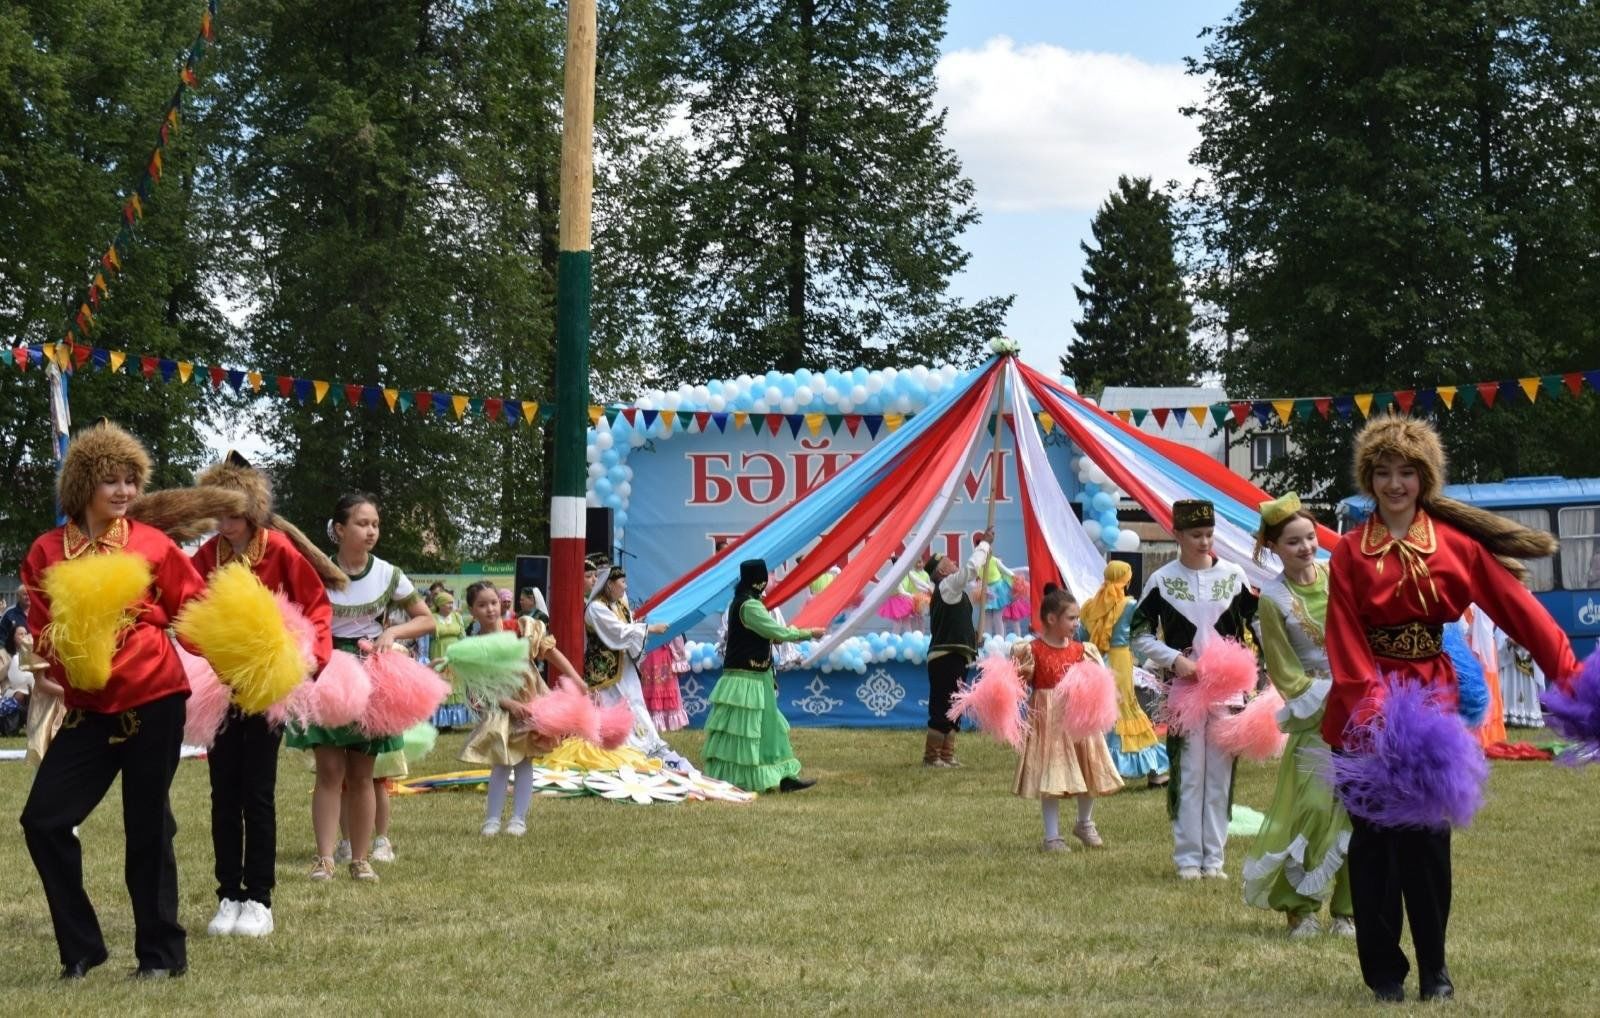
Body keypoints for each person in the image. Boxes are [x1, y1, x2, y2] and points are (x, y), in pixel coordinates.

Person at [1323, 416, 1578, 1004]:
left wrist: (1570, 676)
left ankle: (1435, 970)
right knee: (1373, 845)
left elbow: (1521, 613)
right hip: (1366, 711)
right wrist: (1379, 709)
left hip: (1433, 704)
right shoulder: (1348, 557)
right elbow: (1344, 638)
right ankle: (1384, 973)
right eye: (1383, 473)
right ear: (1369, 478)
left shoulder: (1455, 547)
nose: (1394, 484)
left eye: (1406, 473)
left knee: (1429, 844)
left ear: (1424, 479)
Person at [18, 421, 208, 980]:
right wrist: (39, 670)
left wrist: (249, 660)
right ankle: (81, 949)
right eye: (111, 481)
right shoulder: (47, 551)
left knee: (149, 825)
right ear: (83, 487)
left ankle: (161, 958)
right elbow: (38, 626)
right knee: (44, 821)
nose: (124, 491)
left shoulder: (154, 544)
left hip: (155, 697)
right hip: (87, 709)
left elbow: (195, 612)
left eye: (131, 480)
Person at [190, 453, 338, 939]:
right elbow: (184, 607)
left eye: (234, 514)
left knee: (257, 792)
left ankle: (259, 898)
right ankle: (228, 894)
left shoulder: (278, 551)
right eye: (219, 514)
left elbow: (316, 607)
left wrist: (307, 658)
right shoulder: (206, 555)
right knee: (221, 794)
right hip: (218, 684)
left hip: (267, 684)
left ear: (253, 511)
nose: (226, 524)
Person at [284, 493, 435, 883]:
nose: (371, 531)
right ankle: (324, 859)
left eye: (375, 524)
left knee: (364, 772)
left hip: (371, 674)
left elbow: (426, 619)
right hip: (327, 671)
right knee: (330, 770)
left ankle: (361, 858)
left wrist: (393, 631)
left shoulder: (388, 574)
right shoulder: (316, 570)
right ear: (339, 529)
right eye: (362, 523)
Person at [1239, 493, 1354, 939]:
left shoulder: (1338, 577)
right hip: (1317, 712)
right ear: (1274, 548)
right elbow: (1283, 666)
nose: (1306, 547)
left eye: (1309, 537)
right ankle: (1300, 907)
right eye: (1293, 542)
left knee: (1356, 808)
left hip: (1360, 706)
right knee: (1311, 808)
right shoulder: (1273, 599)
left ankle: (1347, 911)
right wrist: (1321, 695)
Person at [1131, 499, 1258, 881]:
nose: (1204, 542)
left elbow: (1258, 625)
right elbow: (1138, 634)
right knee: (1189, 773)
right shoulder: (1162, 580)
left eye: (1208, 534)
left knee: (1219, 776)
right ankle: (1188, 859)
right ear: (1178, 535)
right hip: (1184, 693)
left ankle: (1214, 861)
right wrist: (1173, 659)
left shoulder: (1234, 576)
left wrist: (1266, 672)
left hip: (1227, 692)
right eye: (1196, 535)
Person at [455, 581, 581, 836]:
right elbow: (480, 685)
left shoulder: (519, 628)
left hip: (529, 700)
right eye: (482, 605)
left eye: (493, 602)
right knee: (502, 761)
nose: (490, 609)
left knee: (524, 761)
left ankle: (518, 819)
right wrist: (508, 704)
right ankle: (492, 819)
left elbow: (550, 651)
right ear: (472, 610)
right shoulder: (474, 645)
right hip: (501, 706)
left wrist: (576, 679)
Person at [1011, 585, 1124, 851]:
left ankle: (1084, 823)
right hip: (1048, 718)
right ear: (1052, 619)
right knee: (1052, 773)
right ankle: (1052, 837)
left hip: (1078, 716)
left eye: (1077, 619)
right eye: (1071, 618)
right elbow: (1016, 681)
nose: (1077, 624)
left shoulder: (1082, 651)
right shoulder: (1033, 650)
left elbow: (1096, 683)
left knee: (1089, 766)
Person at [703, 559, 824, 792]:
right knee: (748, 730)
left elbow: (762, 634)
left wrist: (771, 637)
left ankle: (784, 775)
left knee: (768, 727)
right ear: (760, 581)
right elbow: (775, 630)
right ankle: (749, 778)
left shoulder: (742, 603)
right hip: (748, 678)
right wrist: (810, 633)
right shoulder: (750, 606)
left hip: (757, 675)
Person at [584, 563, 698, 774]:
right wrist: (650, 629)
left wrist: (640, 623)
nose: (625, 587)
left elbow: (629, 624)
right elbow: (619, 632)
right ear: (609, 585)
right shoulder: (596, 608)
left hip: (623, 668)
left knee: (635, 704)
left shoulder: (618, 604)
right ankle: (621, 752)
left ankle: (648, 746)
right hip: (605, 674)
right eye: (622, 583)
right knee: (615, 709)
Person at [1078, 561, 1169, 788]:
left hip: (1096, 661)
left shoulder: (1089, 606)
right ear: (1126, 579)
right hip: (1120, 660)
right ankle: (1154, 770)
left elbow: (1081, 635)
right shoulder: (1129, 605)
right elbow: (1139, 637)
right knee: (1127, 709)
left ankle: (1100, 769)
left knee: (1101, 712)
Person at [922, 528, 994, 768]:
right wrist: (983, 546)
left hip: (958, 655)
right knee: (943, 705)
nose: (954, 562)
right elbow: (970, 570)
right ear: (941, 571)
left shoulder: (955, 593)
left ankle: (947, 754)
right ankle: (933, 756)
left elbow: (955, 624)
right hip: (945, 657)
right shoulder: (947, 586)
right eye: (949, 561)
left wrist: (973, 640)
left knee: (956, 705)